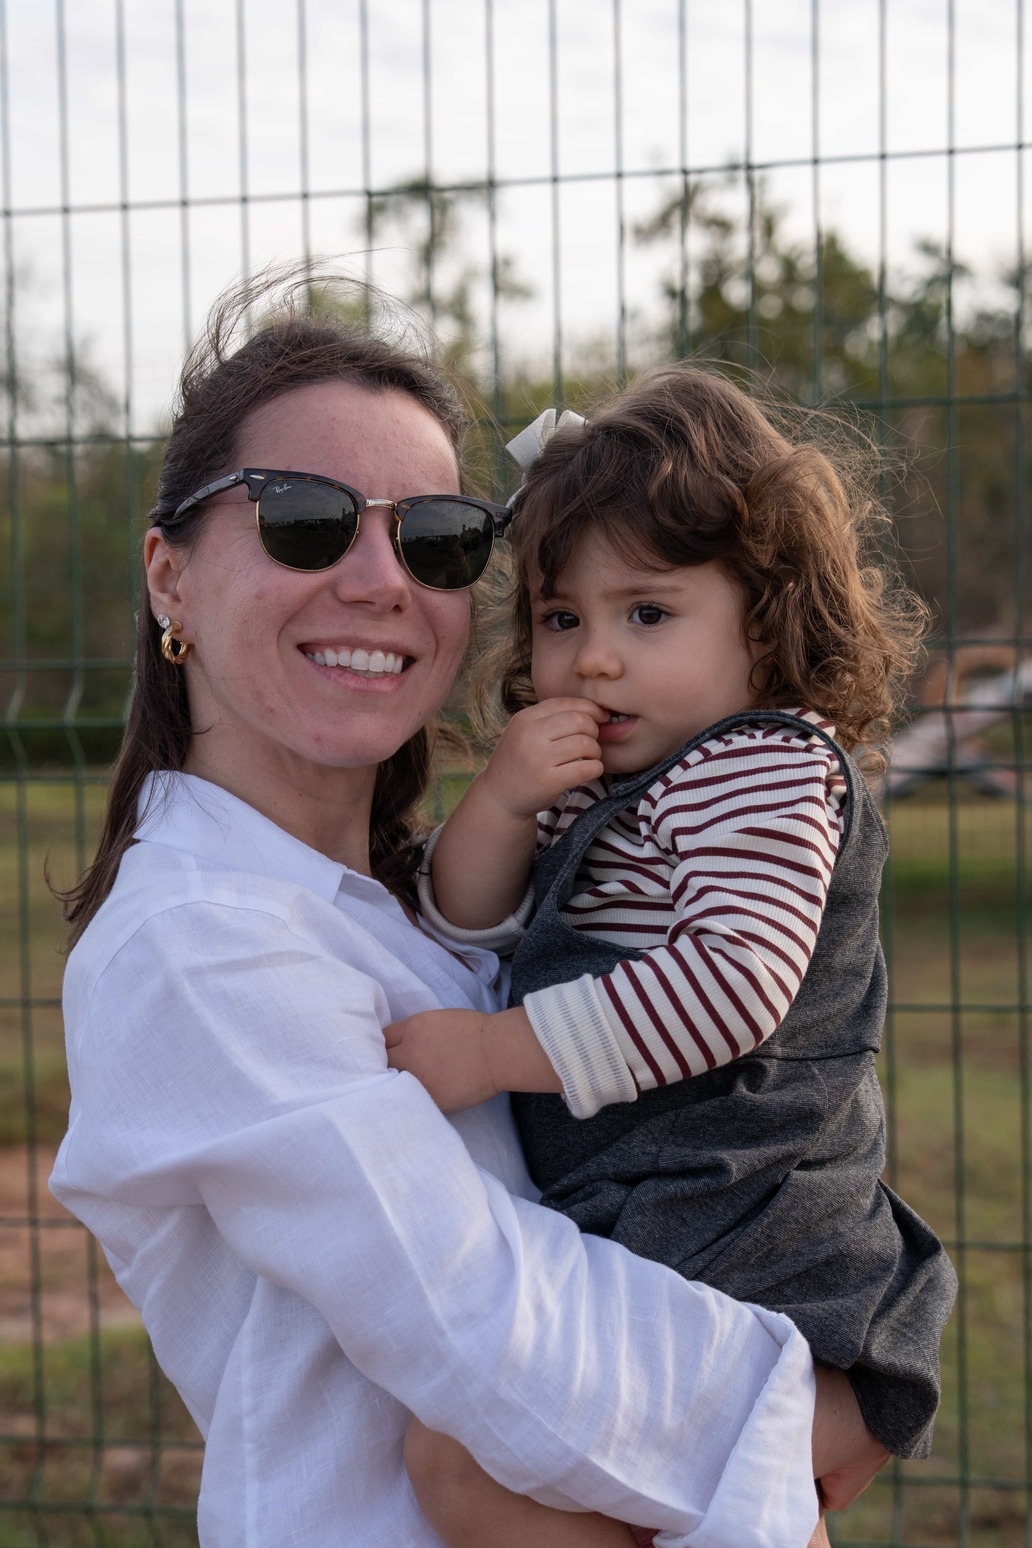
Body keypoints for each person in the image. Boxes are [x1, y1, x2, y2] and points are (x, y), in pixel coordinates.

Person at [48, 278, 886, 1547]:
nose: (381, 581)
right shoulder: (199, 940)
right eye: (306, 520)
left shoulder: (417, 901)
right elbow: (487, 1322)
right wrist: (797, 1416)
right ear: (170, 576)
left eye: (437, 539)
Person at [385, 368, 958, 1545]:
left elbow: (733, 986)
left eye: (647, 615)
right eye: (562, 619)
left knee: (459, 1459)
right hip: (663, 1241)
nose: (595, 658)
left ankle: (805, 1452)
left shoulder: (760, 765)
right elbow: (462, 924)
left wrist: (492, 1053)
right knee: (479, 1467)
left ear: (765, 618)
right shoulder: (609, 781)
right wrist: (501, 802)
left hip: (751, 1246)